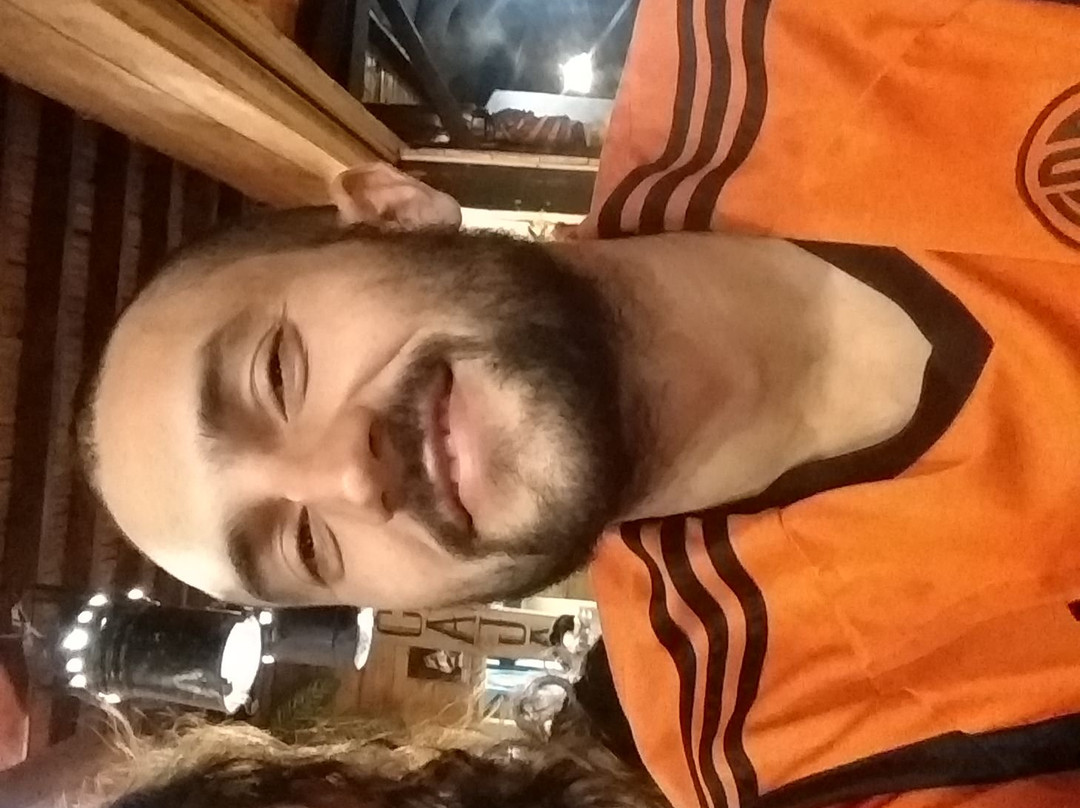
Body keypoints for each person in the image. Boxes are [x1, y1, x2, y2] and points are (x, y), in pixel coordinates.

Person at [80, 0, 1080, 805]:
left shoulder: (786, 32)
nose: (348, 476)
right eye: (303, 546)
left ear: (392, 212)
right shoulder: (788, 750)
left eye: (277, 374)